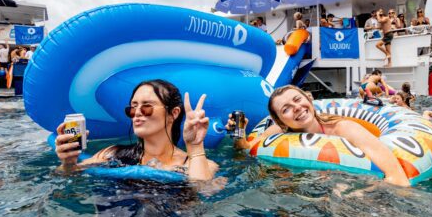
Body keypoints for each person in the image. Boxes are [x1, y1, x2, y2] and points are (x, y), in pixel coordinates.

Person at [229, 85, 410, 186]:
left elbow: (396, 176)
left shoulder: (344, 129)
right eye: (286, 109)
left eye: (298, 100)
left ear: (309, 100)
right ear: (281, 121)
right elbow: (246, 149)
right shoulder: (278, 131)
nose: (296, 108)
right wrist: (239, 134)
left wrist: (364, 191)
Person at [55, 79, 218, 180]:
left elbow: (203, 190)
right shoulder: (111, 154)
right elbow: (69, 177)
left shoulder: (199, 165)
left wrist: (195, 146)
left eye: (147, 107)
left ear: (173, 114)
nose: (137, 113)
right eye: (133, 108)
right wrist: (68, 163)